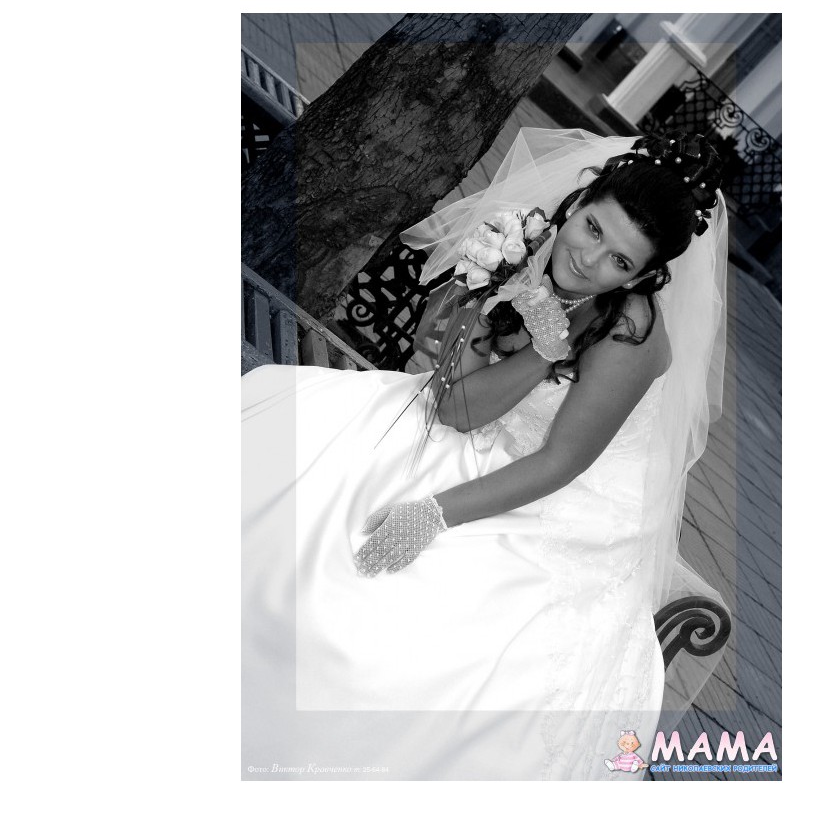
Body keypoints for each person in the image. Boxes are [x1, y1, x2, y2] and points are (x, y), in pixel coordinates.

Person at [241, 128, 730, 780]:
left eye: (619, 261)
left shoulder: (629, 333)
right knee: (299, 485)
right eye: (592, 228)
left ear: (642, 277)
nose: (589, 260)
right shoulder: (520, 244)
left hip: (561, 493)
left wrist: (434, 512)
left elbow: (559, 463)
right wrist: (482, 295)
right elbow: (452, 399)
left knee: (386, 629)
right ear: (579, 202)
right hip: (478, 425)